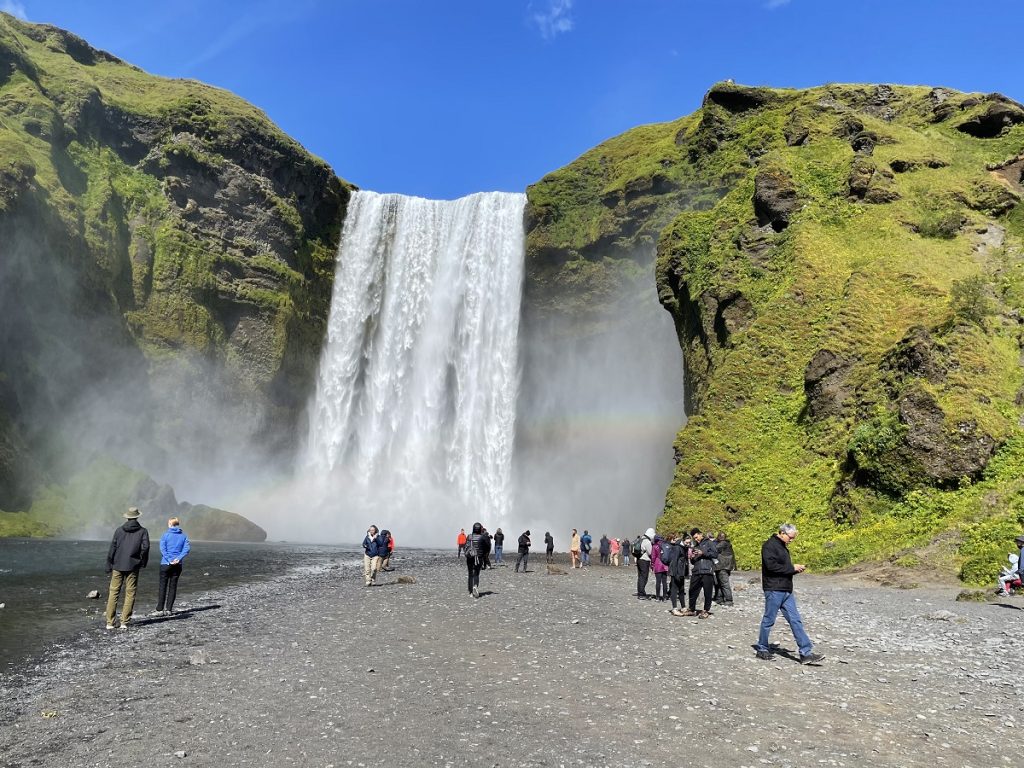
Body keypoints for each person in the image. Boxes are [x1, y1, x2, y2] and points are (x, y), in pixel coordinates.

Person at [754, 523, 824, 664]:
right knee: (769, 620)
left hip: (786, 589)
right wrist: (792, 567)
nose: (791, 540)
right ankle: (762, 648)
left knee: (795, 620)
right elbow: (771, 567)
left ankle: (806, 653)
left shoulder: (782, 547)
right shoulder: (769, 546)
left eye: (793, 538)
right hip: (774, 589)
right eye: (790, 537)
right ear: (782, 533)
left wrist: (794, 570)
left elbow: (782, 568)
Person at [104, 507, 150, 630]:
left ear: (127, 517)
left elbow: (112, 548)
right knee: (130, 593)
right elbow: (145, 548)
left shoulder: (119, 531)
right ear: (137, 517)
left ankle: (110, 622)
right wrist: (142, 562)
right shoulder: (143, 531)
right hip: (133, 566)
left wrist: (109, 564)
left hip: (117, 565)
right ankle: (124, 622)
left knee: (113, 593)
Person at [152, 517, 189, 617]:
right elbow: (186, 549)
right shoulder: (184, 536)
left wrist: (169, 560)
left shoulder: (165, 535)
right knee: (173, 587)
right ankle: (169, 609)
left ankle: (160, 609)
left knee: (162, 586)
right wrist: (178, 558)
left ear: (170, 524)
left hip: (166, 564)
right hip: (178, 565)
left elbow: (163, 550)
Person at [682, 528, 718, 617]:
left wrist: (703, 553)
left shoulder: (709, 543)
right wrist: (693, 557)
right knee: (692, 590)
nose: (696, 539)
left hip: (707, 571)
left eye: (696, 537)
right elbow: (693, 562)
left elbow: (715, 554)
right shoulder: (695, 545)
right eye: (694, 538)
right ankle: (692, 609)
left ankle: (706, 610)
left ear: (701, 534)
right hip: (697, 571)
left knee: (707, 592)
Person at [666, 533, 691, 616]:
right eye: (687, 542)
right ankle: (674, 608)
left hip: (681, 571)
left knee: (681, 589)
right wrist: (674, 573)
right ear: (683, 541)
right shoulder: (677, 548)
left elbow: (685, 561)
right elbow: (674, 561)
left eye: (689, 543)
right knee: (674, 589)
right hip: (676, 571)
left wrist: (686, 573)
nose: (688, 544)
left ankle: (683, 607)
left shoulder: (684, 548)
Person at [465, 522, 490, 598]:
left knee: (470, 574)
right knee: (476, 573)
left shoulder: (469, 536)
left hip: (470, 557)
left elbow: (465, 546)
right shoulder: (482, 537)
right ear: (480, 529)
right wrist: (483, 555)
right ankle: (475, 586)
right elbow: (487, 548)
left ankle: (470, 592)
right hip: (479, 558)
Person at [714, 532, 735, 605]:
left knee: (724, 583)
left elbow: (714, 548)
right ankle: (719, 598)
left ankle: (729, 600)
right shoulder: (727, 543)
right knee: (719, 583)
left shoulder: (723, 543)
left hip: (723, 566)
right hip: (724, 566)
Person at [636, 528, 653, 598]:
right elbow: (650, 552)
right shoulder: (647, 541)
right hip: (645, 560)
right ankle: (641, 593)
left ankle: (640, 591)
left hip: (639, 559)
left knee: (640, 576)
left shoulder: (641, 539)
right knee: (644, 577)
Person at [651, 535, 669, 601]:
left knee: (658, 582)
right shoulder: (666, 545)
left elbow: (653, 557)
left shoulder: (655, 546)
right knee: (665, 582)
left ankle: (657, 597)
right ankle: (664, 597)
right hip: (665, 565)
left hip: (658, 564)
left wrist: (652, 565)